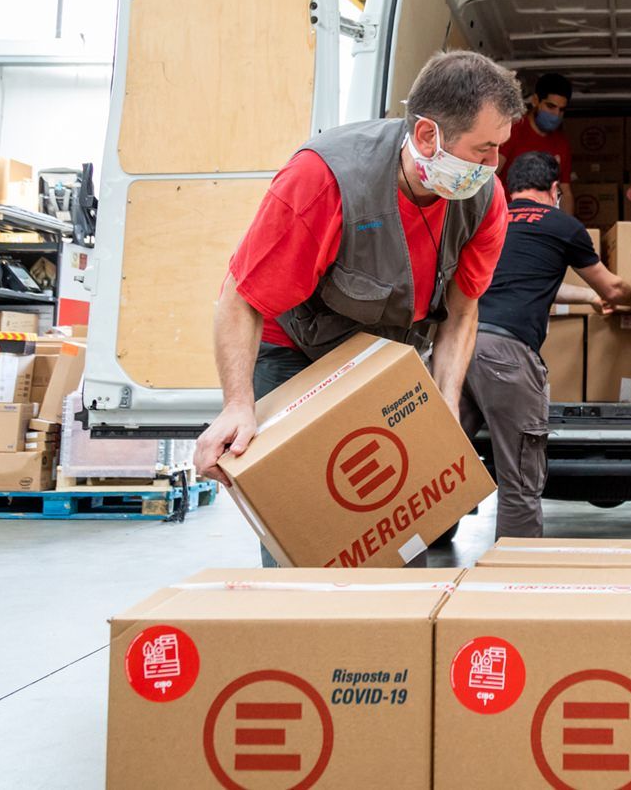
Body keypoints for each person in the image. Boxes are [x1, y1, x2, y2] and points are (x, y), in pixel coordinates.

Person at [192, 50, 523, 565]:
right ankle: (303, 621)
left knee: (391, 522)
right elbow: (242, 298)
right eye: (483, 150)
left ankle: (371, 636)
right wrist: (238, 404)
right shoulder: (324, 180)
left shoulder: (484, 200)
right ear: (429, 136)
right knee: (301, 519)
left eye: (499, 149)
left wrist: (446, 403)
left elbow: (462, 313)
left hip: (384, 359)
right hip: (297, 351)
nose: (492, 166)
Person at [463, 151, 631, 537]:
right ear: (555, 189)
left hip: (461, 351)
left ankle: (409, 572)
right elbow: (614, 287)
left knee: (435, 467)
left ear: (509, 188)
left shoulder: (486, 222)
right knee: (519, 483)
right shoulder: (561, 225)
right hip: (509, 359)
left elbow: (526, 283)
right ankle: (515, 585)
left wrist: (587, 300)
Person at [497, 72, 575, 214]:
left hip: (541, 222)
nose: (556, 114)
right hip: (505, 218)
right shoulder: (513, 129)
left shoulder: (561, 143)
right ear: (535, 101)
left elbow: (565, 192)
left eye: (561, 110)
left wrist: (566, 226)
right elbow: (491, 173)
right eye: (551, 106)